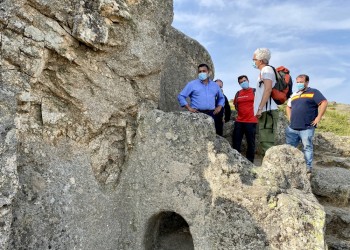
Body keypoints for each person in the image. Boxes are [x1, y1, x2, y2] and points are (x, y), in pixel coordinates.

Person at [285, 74, 328, 173]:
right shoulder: (294, 94)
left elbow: (324, 102)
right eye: (298, 82)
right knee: (289, 148)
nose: (299, 84)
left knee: (307, 147)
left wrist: (318, 117)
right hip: (293, 127)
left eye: (301, 82)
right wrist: (290, 118)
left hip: (307, 127)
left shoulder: (313, 92)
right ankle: (288, 166)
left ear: (307, 82)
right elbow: (288, 107)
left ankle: (308, 167)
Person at [178, 64, 225, 135]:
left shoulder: (215, 85)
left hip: (211, 114)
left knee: (210, 135)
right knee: (196, 135)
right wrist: (189, 108)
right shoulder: (192, 84)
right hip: (196, 114)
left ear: (208, 72)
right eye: (200, 71)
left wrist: (219, 106)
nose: (201, 73)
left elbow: (221, 98)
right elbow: (181, 96)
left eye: (204, 71)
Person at [252, 48, 279, 156]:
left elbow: (268, 90)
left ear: (261, 60)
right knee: (265, 141)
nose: (253, 62)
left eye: (254, 59)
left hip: (268, 111)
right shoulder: (264, 71)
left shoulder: (266, 70)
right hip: (266, 111)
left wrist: (259, 108)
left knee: (267, 143)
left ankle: (273, 170)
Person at [232, 75, 257, 163]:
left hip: (251, 121)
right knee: (236, 142)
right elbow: (236, 105)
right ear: (239, 84)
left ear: (248, 80)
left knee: (251, 143)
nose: (243, 83)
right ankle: (236, 161)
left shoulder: (255, 91)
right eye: (241, 82)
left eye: (244, 80)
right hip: (239, 121)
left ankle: (250, 162)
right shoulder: (238, 93)